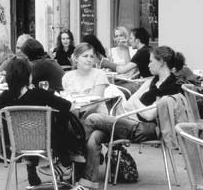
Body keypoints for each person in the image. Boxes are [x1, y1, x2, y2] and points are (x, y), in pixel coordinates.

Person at [71, 46, 182, 190]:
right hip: (133, 122)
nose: (148, 65)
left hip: (147, 129)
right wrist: (139, 106)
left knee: (92, 118)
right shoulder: (152, 82)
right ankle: (88, 184)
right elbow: (129, 104)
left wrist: (137, 104)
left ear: (161, 62)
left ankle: (74, 152)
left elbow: (148, 115)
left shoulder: (171, 87)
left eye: (151, 61)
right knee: (95, 137)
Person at [0, 58, 75, 187]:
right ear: (28, 76)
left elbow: (1, 119)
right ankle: (65, 162)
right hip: (44, 141)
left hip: (14, 142)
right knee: (55, 120)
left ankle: (31, 165)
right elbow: (67, 106)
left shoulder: (4, 96)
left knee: (29, 128)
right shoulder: (39, 94)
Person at [62, 43, 109, 115]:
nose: (89, 60)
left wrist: (79, 117)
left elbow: (96, 103)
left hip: (96, 117)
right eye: (85, 56)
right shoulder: (67, 77)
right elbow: (67, 100)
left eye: (91, 57)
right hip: (74, 115)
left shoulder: (99, 74)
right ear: (75, 58)